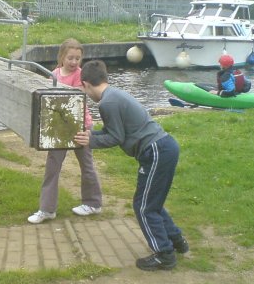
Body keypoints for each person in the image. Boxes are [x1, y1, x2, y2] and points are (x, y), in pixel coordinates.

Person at [74, 60, 189, 271]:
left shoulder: (107, 103)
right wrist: (90, 134)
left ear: (86, 84)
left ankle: (164, 254)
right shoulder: (114, 94)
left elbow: (116, 138)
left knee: (143, 206)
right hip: (163, 147)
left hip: (155, 150)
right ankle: (176, 240)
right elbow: (117, 132)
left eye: (83, 88)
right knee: (152, 202)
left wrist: (90, 141)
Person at [28, 39, 103, 224]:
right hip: (59, 127)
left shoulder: (81, 75)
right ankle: (47, 209)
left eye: (78, 58)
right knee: (52, 167)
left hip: (80, 126)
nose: (74, 62)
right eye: (70, 58)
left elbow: (76, 96)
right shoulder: (53, 74)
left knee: (87, 165)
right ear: (62, 57)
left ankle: (93, 203)